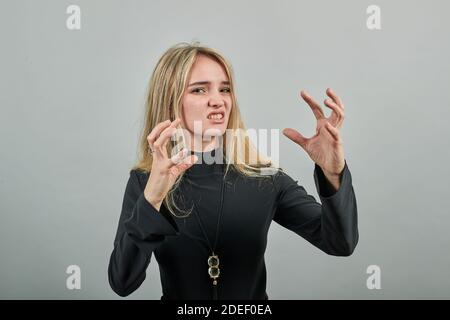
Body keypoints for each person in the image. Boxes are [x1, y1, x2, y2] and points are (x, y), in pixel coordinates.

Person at [108, 41, 359, 300]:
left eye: (225, 89)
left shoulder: (264, 178)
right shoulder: (145, 181)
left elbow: (340, 243)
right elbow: (122, 282)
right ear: (170, 102)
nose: (218, 101)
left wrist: (332, 172)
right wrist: (152, 199)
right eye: (199, 90)